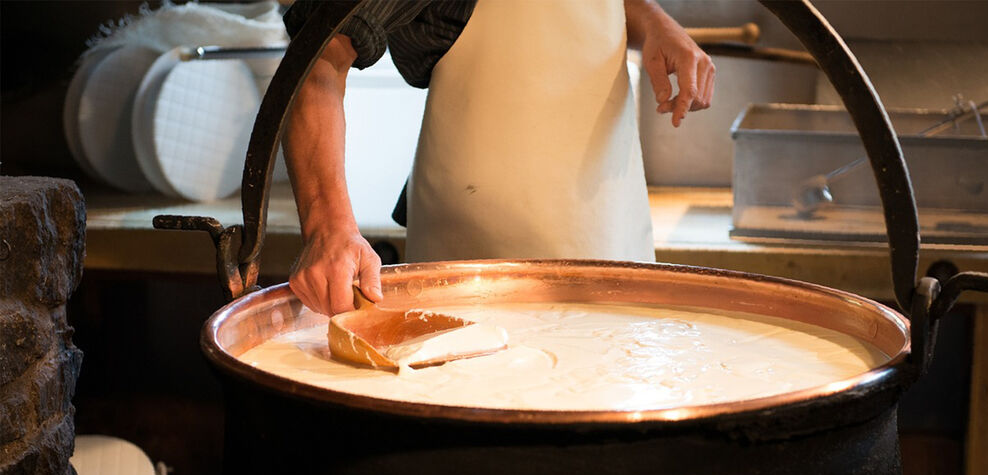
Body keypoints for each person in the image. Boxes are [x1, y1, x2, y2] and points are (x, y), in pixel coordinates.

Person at [282, 0, 715, 316]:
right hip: (473, 274)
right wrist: (328, 228)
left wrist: (656, 22)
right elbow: (316, 57)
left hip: (617, 241)